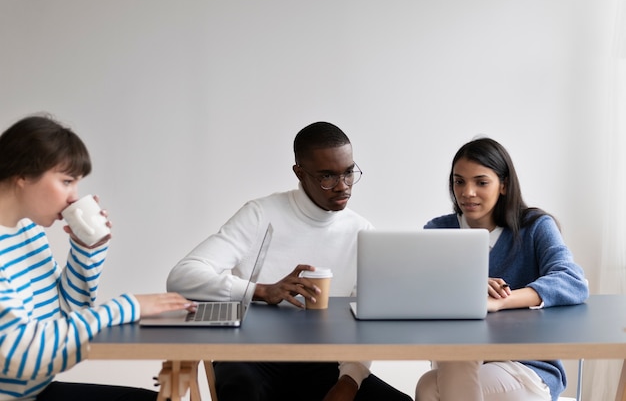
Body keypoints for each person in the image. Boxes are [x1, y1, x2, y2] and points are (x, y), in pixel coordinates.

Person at [167, 122, 411, 401]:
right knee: (242, 389)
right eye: (327, 176)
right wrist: (259, 291)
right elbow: (182, 276)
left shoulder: (362, 232)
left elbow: (362, 325)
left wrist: (349, 380)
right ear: (300, 172)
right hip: (250, 355)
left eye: (349, 173)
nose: (343, 186)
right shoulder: (260, 214)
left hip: (323, 362)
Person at [0, 114, 195, 401]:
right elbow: (22, 355)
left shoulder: (26, 230)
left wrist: (84, 250)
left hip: (34, 391)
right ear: (23, 175)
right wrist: (128, 306)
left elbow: (66, 315)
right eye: (67, 181)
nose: (73, 197)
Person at [414, 137, 589, 401]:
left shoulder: (535, 227)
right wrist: (470, 284)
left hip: (524, 365)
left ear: (503, 185)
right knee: (429, 384)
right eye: (459, 181)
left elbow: (572, 280)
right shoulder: (438, 231)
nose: (467, 192)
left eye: (481, 182)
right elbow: (420, 287)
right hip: (460, 359)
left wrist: (500, 301)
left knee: (436, 384)